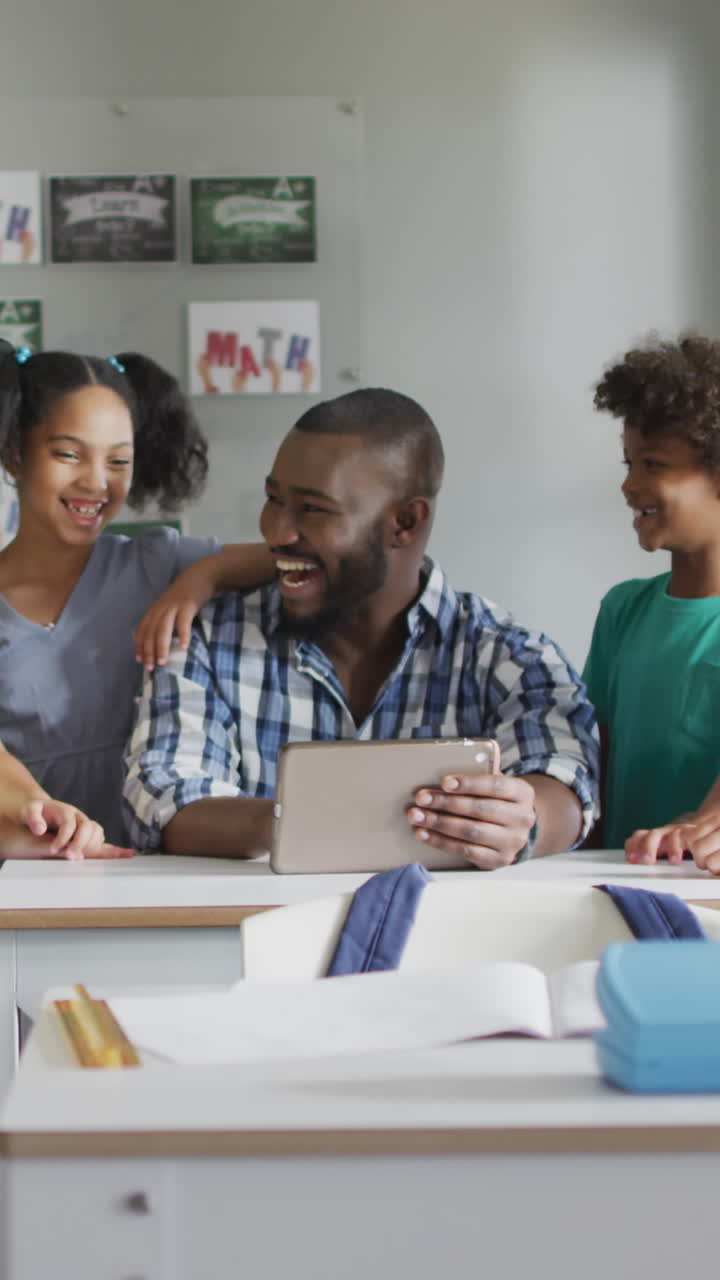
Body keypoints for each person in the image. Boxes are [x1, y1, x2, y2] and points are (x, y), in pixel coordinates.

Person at [124, 388, 599, 867]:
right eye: (273, 499)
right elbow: (165, 797)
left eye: (312, 509)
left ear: (405, 523)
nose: (276, 531)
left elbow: (566, 781)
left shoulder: (507, 654)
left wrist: (522, 820)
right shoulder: (207, 638)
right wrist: (332, 821)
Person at [0, 342, 273, 855]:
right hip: (33, 860)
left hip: (159, 863)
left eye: (119, 460)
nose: (97, 482)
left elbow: (296, 557)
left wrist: (206, 575)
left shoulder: (158, 564)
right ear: (15, 453)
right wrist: (52, 821)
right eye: (68, 454)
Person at [583, 334, 720, 874]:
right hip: (617, 877)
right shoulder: (623, 610)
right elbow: (595, 762)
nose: (629, 484)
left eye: (654, 465)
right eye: (629, 462)